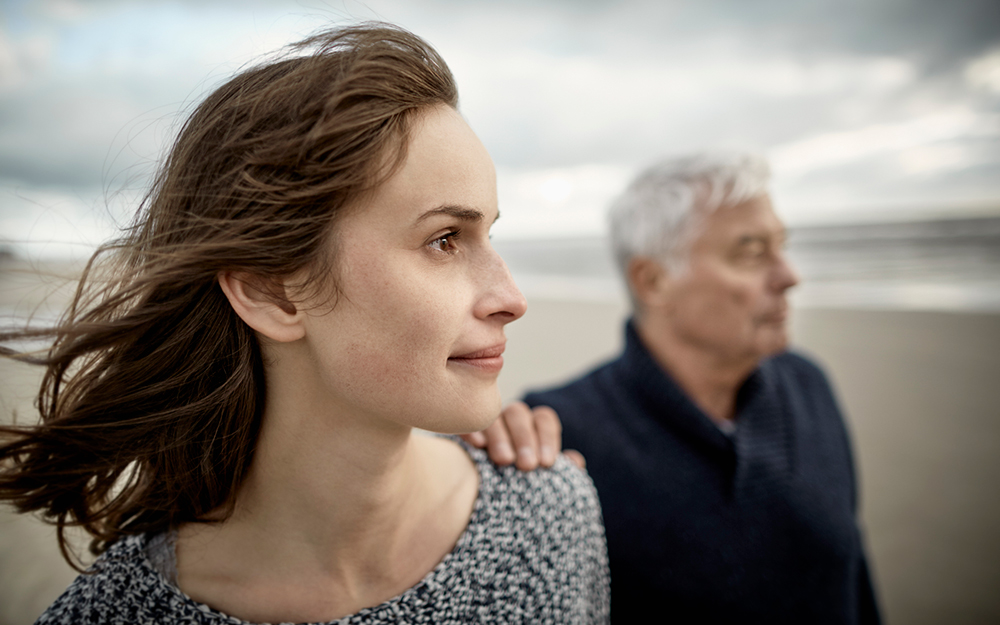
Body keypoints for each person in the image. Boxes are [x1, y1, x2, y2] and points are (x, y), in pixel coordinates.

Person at [0, 24, 609, 624]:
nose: (511, 297)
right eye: (445, 239)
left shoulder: (549, 515)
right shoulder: (113, 614)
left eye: (488, 233)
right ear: (271, 292)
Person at [481, 153, 881, 623]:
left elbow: (856, 579)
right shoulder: (556, 435)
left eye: (781, 246)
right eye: (751, 252)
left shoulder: (807, 384)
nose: (789, 276)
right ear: (653, 281)